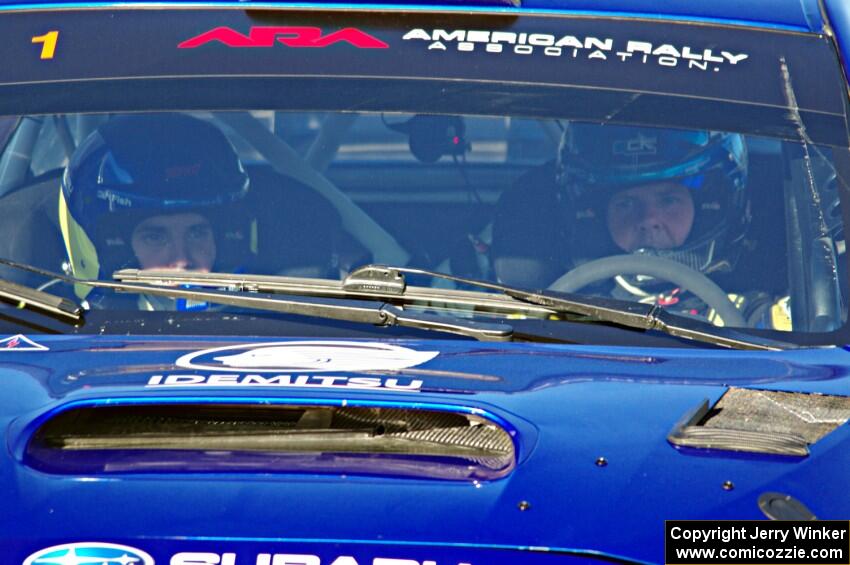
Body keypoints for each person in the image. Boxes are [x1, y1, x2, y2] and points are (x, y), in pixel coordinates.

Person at [490, 122, 787, 327]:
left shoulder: (760, 316)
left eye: (669, 201)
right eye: (626, 204)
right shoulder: (556, 313)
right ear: (595, 216)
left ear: (709, 209)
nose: (648, 220)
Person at [59, 113, 252, 310]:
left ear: (223, 239)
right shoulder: (46, 330)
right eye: (155, 237)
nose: (181, 260)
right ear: (116, 249)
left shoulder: (276, 316)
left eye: (197, 233)